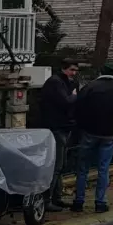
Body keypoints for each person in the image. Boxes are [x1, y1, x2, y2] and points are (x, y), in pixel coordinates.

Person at [70, 63, 113, 213]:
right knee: (104, 168)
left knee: (83, 168)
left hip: (89, 132)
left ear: (101, 71)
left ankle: (79, 201)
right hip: (109, 133)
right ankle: (100, 202)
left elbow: (78, 108)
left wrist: (80, 127)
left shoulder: (90, 87)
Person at [39, 58, 78, 212]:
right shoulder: (55, 82)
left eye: (75, 70)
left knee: (60, 165)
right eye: (71, 70)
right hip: (56, 127)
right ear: (64, 69)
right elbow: (67, 101)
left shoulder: (65, 82)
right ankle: (47, 199)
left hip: (64, 126)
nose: (73, 73)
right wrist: (75, 95)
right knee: (57, 164)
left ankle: (57, 197)